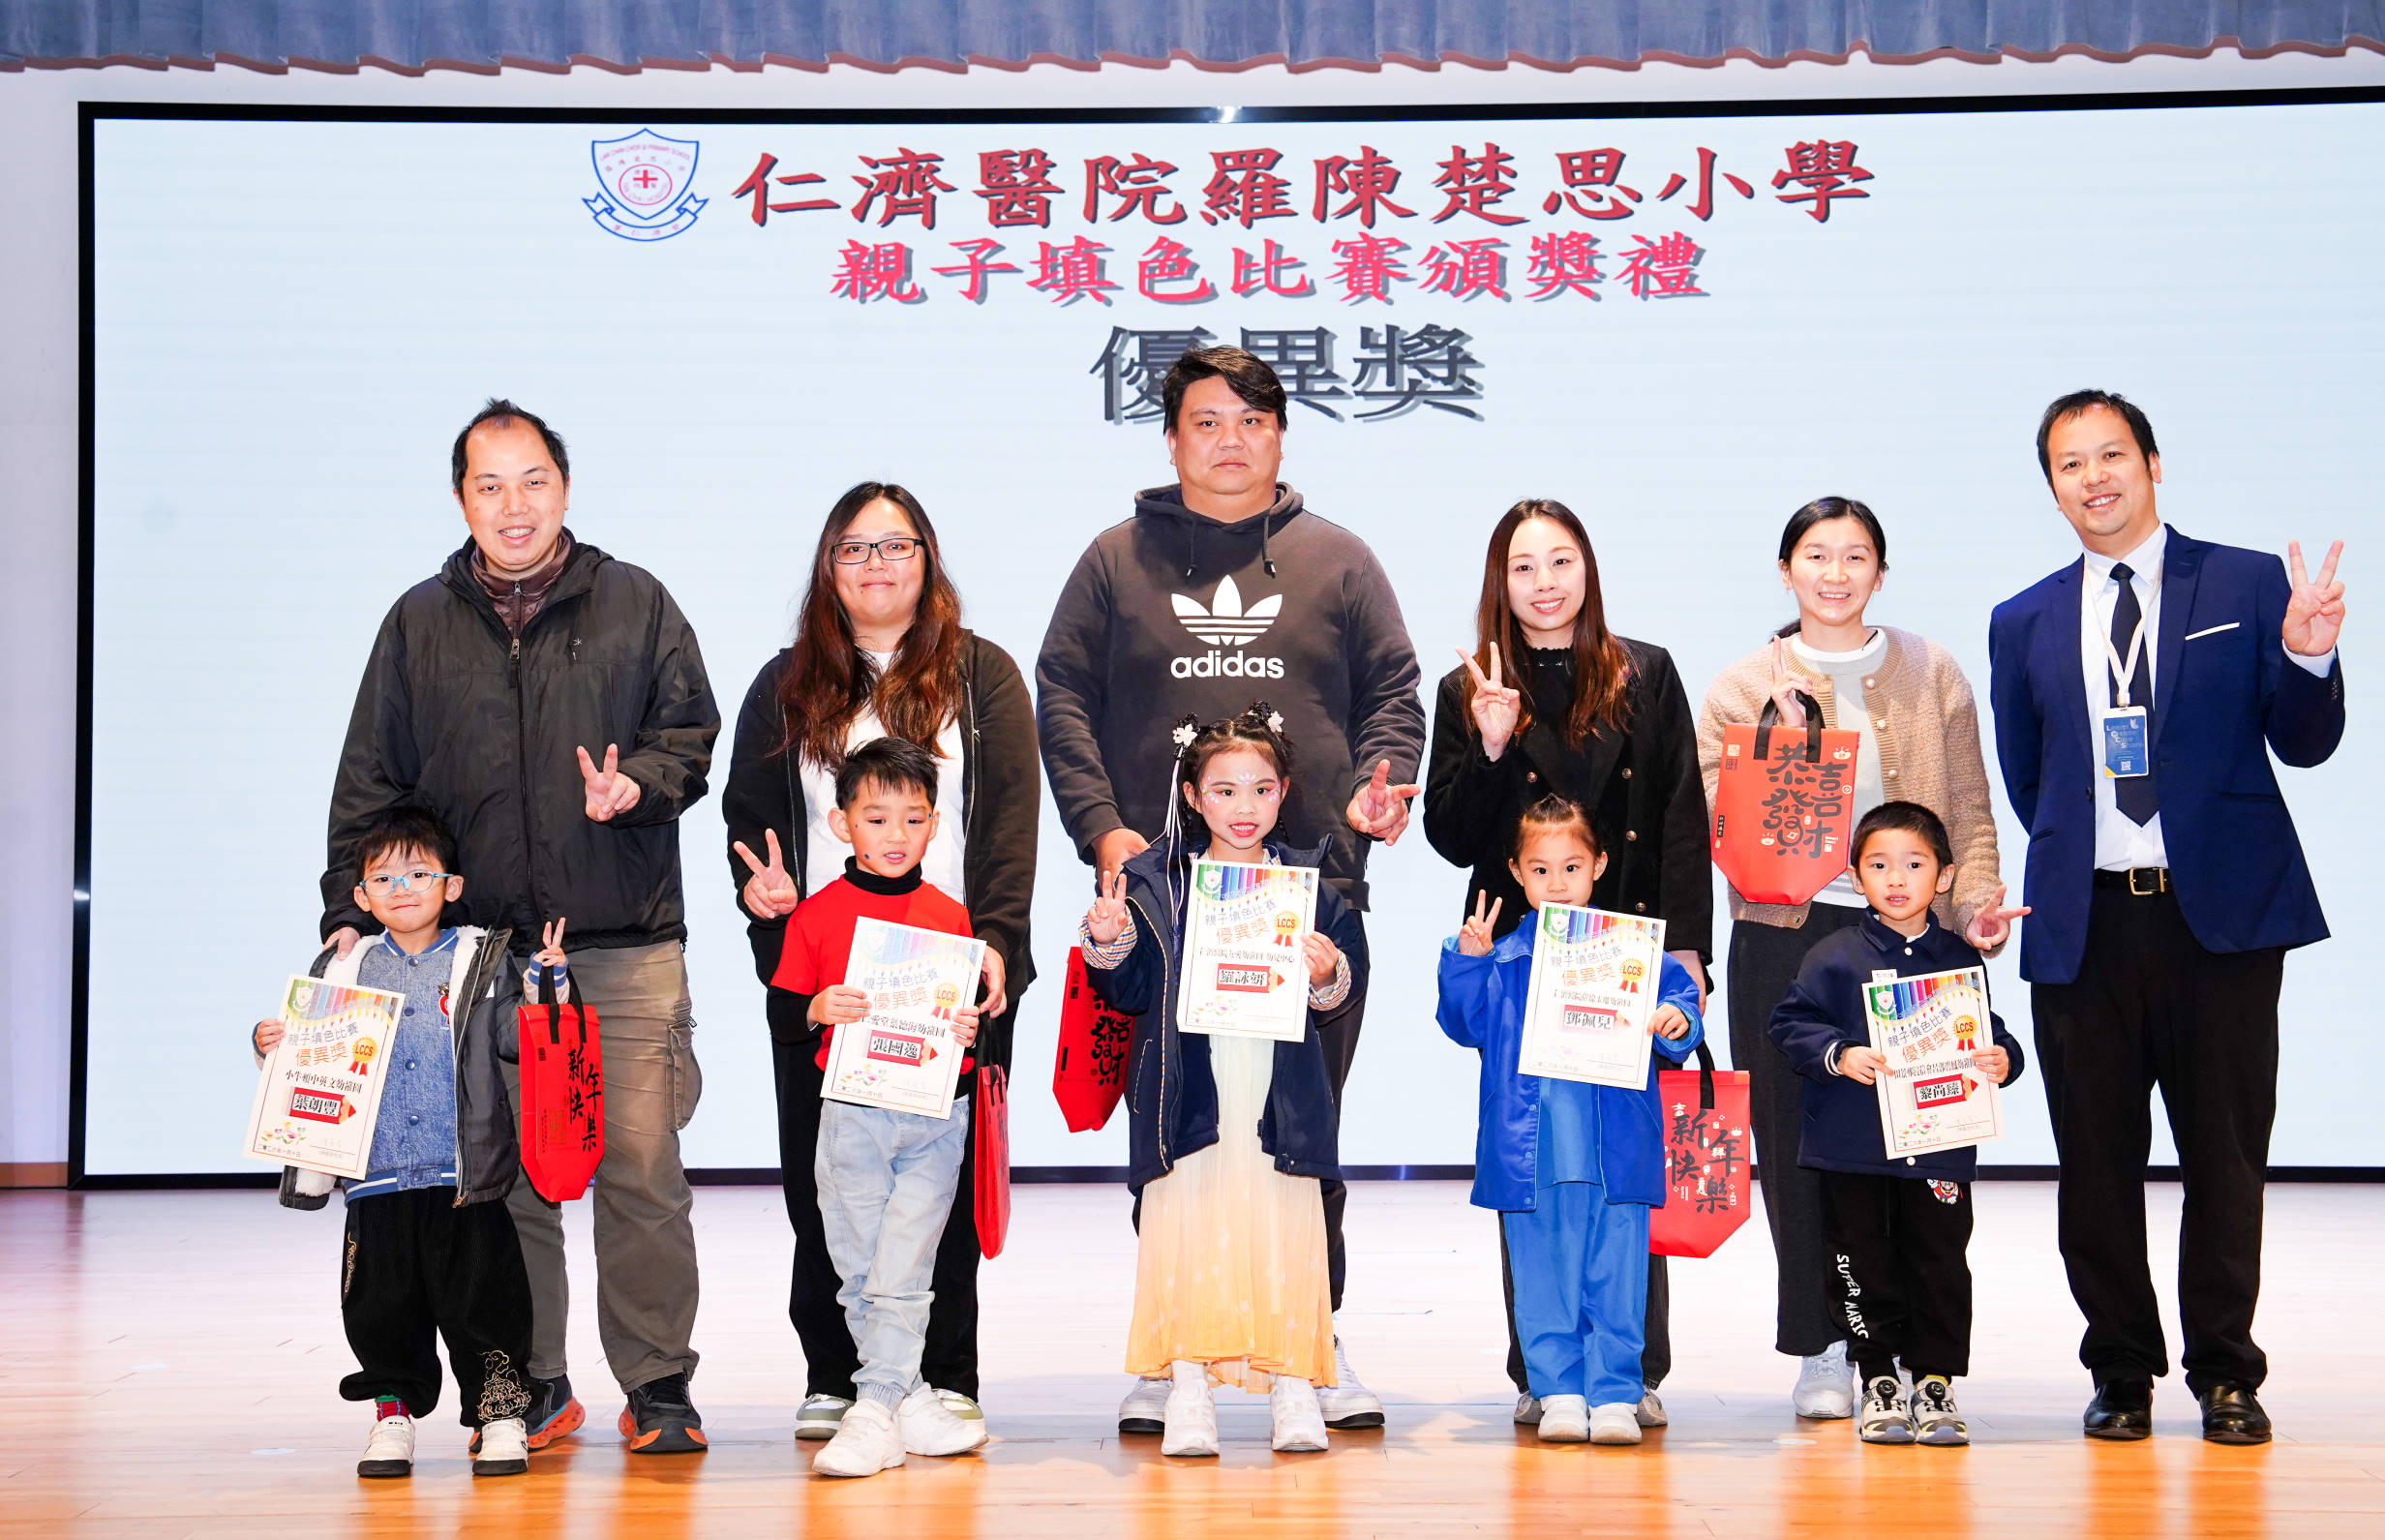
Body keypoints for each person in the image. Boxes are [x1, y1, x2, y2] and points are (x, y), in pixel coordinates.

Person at [320, 399, 720, 1455]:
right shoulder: (417, 623)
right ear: (462, 499)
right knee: (510, 1179)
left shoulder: (636, 602)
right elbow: (370, 782)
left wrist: (636, 786)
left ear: (565, 487)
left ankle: (659, 1382)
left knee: (640, 1169)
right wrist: (346, 919)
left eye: (533, 479)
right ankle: (534, 1379)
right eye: (489, 484)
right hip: (480, 954)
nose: (514, 504)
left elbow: (690, 733)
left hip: (624, 941)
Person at [1037, 346, 1424, 1433]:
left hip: (1311, 897)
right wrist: (1103, 829)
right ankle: (1175, 1344)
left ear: (1281, 435)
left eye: (1252, 421)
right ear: (1171, 438)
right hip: (1165, 897)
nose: (1230, 441)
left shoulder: (1338, 558)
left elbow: (1395, 692)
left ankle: (1313, 1331)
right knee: (1174, 1121)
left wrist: (1381, 783)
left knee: (1301, 1120)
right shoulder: (1114, 560)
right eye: (1206, 421)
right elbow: (1061, 695)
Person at [1987, 389, 2346, 1445]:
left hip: (2217, 924)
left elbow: (2305, 743)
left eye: (2111, 455)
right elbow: (2030, 776)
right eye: (2070, 464)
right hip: (2086, 924)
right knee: (2094, 1167)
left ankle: (2226, 1372)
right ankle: (2121, 1369)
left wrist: (2308, 656)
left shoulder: (2244, 582)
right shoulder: (2023, 618)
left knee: (2224, 1160)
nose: (2093, 477)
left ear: (2151, 464)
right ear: (2052, 488)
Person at [722, 481, 1037, 1440]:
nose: (877, 564)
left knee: (940, 1190)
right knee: (828, 1186)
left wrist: (999, 946)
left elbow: (1009, 826)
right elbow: (751, 823)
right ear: (830, 565)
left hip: (947, 975)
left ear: (926, 559)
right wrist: (767, 909)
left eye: (896, 546)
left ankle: (943, 1374)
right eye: (855, 548)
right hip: (832, 977)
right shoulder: (787, 682)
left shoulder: (980, 674)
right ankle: (836, 1370)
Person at [1697, 496, 2022, 1421]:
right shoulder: (1739, 687)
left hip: (1916, 941)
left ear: (1880, 571)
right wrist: (1777, 747)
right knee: (1797, 1148)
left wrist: (1975, 903)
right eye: (1815, 555)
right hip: (1787, 935)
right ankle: (1823, 1344)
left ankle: (1914, 1347)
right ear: (1786, 570)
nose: (1834, 573)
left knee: (1920, 1146)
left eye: (1854, 556)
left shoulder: (1933, 670)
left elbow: (1970, 805)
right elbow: (1722, 828)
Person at [1423, 497, 1709, 1429]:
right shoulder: (1467, 689)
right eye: (1523, 567)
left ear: (1588, 569)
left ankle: (1634, 1368)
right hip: (1521, 952)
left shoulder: (1645, 671)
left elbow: (1679, 816)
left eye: (1561, 562)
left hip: (1624, 954)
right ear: (1498, 582)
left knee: (1624, 1164)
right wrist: (1492, 745)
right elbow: (1450, 834)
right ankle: (1541, 1372)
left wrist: (1689, 951)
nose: (1544, 583)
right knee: (1534, 1158)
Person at [1077, 708, 1369, 1457]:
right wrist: (1108, 941)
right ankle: (1188, 1387)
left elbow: (1345, 985)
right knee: (1188, 1230)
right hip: (1189, 1091)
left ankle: (1294, 1385)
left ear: (1284, 792)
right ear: (1192, 795)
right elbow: (1129, 990)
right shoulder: (1156, 881)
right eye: (1225, 789)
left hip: (1278, 1091)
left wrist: (1327, 972)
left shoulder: (1309, 885)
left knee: (1285, 1229)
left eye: (1262, 789)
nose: (1245, 806)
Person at [257, 807, 536, 1480]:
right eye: (382, 878)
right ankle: (391, 1416)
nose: (401, 888)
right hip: (375, 1174)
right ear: (360, 896)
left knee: (485, 1301)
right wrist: (272, 1043)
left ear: (452, 885)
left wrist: (544, 987)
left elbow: (513, 1039)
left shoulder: (480, 960)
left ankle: (500, 1416)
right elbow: (309, 1056)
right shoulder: (346, 965)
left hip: (461, 1173)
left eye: (418, 873)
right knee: (380, 1307)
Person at [1434, 796, 1704, 1447]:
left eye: (1572, 867)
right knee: (1542, 1277)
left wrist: (1677, 1017)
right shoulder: (1503, 959)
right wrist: (1468, 959)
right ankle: (1557, 1390)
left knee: (1619, 1274)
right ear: (1516, 873)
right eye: (1540, 869)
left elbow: (1680, 1006)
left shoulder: (1634, 952)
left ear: (1599, 865)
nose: (1557, 883)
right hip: (1533, 1152)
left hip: (1618, 1148)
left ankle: (1614, 1393)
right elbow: (1462, 1023)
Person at [1767, 801, 2027, 1447]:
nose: (1897, 878)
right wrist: (1839, 1053)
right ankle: (1878, 1377)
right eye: (1879, 865)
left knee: (1941, 1263)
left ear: (1944, 876)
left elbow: (1985, 1030)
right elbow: (1789, 1023)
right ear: (1855, 877)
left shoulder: (1958, 958)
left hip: (1940, 1148)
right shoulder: (1832, 955)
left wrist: (2004, 1056)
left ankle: (1934, 1380)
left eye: (1914, 864)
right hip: (1853, 1150)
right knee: (1860, 1265)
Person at [767, 737, 992, 1477]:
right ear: (841, 824)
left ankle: (872, 1410)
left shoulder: (951, 915)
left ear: (934, 826)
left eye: (914, 818)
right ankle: (908, 1397)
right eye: (876, 817)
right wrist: (817, 1007)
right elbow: (783, 1011)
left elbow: (964, 1020)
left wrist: (968, 1027)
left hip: (935, 1115)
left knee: (908, 1261)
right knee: (861, 1266)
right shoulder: (816, 915)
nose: (897, 834)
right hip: (852, 1116)